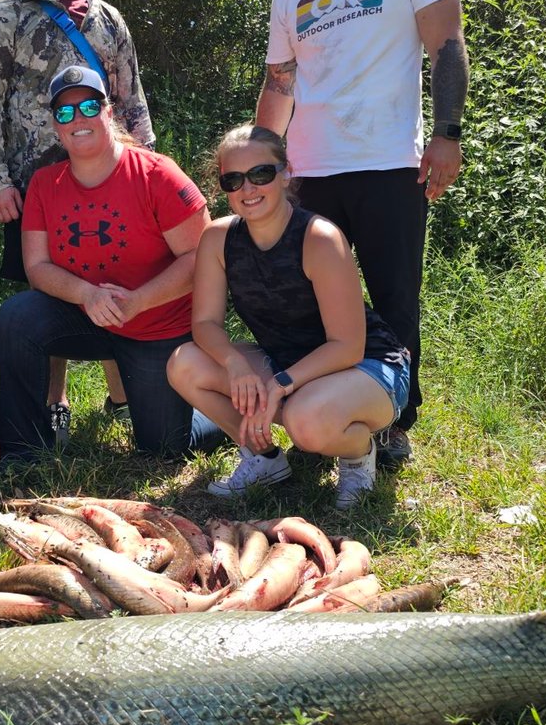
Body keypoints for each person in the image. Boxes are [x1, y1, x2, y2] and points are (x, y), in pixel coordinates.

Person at [255, 0, 469, 466]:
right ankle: (322, 410)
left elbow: (446, 45)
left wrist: (448, 133)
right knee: (313, 302)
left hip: (388, 163)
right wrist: (264, 167)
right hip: (311, 174)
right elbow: (279, 83)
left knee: (395, 297)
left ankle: (395, 422)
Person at [0, 0, 156, 446]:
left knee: (116, 275)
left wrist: (149, 170)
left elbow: (132, 100)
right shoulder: (5, 15)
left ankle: (123, 394)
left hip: (110, 179)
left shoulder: (108, 20)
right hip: (35, 190)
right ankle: (54, 404)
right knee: (47, 290)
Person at [167, 125, 410, 507]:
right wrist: (236, 365)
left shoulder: (319, 239)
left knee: (304, 422)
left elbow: (348, 345)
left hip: (367, 366)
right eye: (233, 180)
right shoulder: (217, 239)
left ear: (285, 174)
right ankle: (262, 457)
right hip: (287, 364)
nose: (248, 189)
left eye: (260, 174)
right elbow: (205, 324)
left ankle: (359, 450)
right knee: (184, 365)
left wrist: (279, 384)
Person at [0, 66, 220, 460]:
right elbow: (37, 267)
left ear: (109, 112)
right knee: (18, 315)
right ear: (55, 126)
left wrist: (138, 301)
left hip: (155, 325)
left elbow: (203, 257)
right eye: (64, 113)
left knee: (163, 449)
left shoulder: (157, 174)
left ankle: (220, 408)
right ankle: (21, 450)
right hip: (88, 317)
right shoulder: (45, 184)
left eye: (88, 106)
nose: (77, 119)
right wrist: (87, 294)